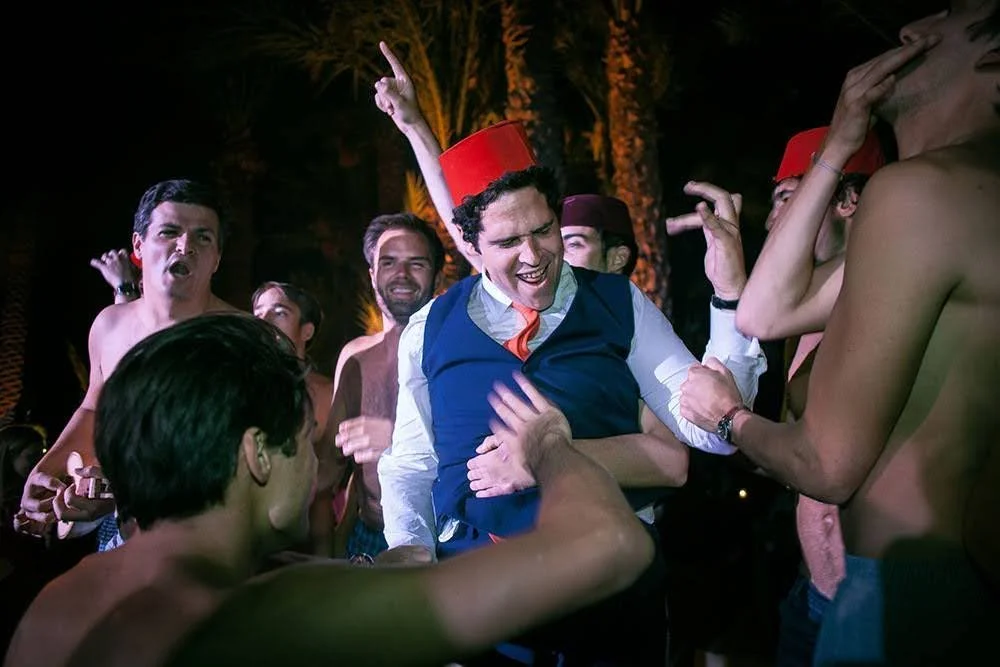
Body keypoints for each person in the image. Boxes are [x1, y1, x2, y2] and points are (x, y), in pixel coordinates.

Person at [4, 314, 655, 667]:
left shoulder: (63, 598)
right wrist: (546, 443)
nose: (315, 459)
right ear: (258, 452)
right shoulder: (255, 619)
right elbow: (608, 542)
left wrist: (381, 564)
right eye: (304, 436)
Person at [377, 119, 765, 663]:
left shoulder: (618, 303)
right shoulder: (428, 329)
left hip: (609, 600)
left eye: (543, 230)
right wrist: (410, 556)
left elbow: (712, 431)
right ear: (470, 243)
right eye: (509, 242)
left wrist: (728, 298)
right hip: (479, 606)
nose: (533, 255)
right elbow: (411, 465)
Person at [680, 5, 1000, 664]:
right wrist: (838, 141)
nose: (912, 30)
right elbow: (763, 315)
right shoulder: (951, 198)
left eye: (948, 16)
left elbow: (826, 465)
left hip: (909, 592)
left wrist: (728, 415)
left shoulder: (925, 193)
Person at [667, 126, 885, 665]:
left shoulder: (885, 295)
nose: (770, 219)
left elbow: (830, 467)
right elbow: (795, 452)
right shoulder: (801, 317)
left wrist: (728, 420)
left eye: (788, 197)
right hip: (811, 594)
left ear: (846, 199)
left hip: (878, 606)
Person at [15, 179, 239, 547]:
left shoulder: (242, 340)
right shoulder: (109, 326)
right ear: (138, 245)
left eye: (203, 238)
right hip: (118, 538)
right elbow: (95, 408)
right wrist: (46, 471)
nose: (185, 246)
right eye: (169, 232)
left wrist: (128, 491)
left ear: (216, 258)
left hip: (210, 544)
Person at [317, 213, 444, 562]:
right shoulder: (355, 356)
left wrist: (397, 442)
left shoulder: (453, 351)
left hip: (437, 539)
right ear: (372, 273)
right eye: (388, 262)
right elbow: (330, 464)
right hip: (366, 537)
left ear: (437, 274)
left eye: (416, 263)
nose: (401, 274)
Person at [251, 281, 335, 555]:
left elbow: (325, 488)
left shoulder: (326, 394)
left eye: (279, 312)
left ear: (307, 330)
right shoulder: (239, 388)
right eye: (258, 312)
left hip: (307, 544)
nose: (264, 321)